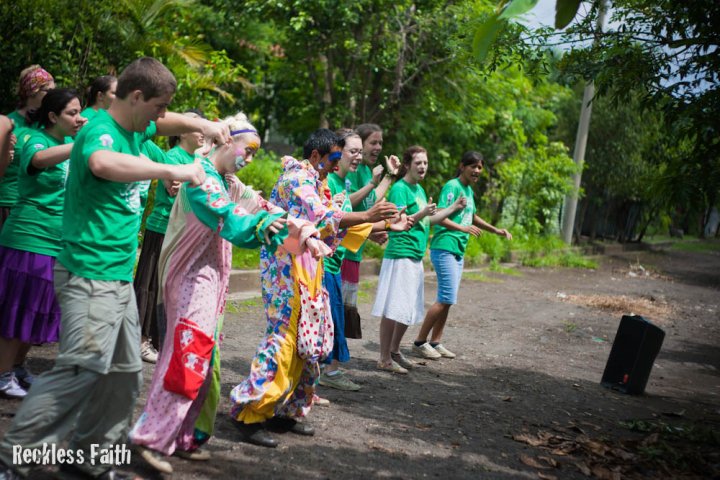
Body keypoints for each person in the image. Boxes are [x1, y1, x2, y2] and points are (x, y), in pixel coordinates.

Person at [0, 56, 228, 480]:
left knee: (123, 374)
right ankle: (13, 458)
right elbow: (102, 164)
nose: (161, 116)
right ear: (136, 97)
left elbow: (164, 123)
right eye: (158, 106)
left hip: (117, 276)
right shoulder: (99, 130)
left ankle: (91, 460)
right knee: (80, 369)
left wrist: (206, 126)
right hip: (90, 273)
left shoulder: (135, 127)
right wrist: (171, 168)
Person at [130, 112, 326, 473]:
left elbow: (264, 207)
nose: (249, 158)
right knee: (187, 358)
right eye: (247, 150)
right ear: (225, 141)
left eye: (254, 153)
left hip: (212, 285)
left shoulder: (227, 181)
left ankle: (185, 436)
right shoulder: (201, 178)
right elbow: (232, 218)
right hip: (190, 283)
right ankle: (150, 437)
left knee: (208, 366)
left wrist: (306, 234)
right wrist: (269, 225)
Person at [229, 129, 397, 448]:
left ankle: (285, 410)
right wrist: (368, 217)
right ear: (316, 156)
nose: (337, 165)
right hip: (286, 270)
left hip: (309, 269)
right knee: (284, 340)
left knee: (308, 344)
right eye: (334, 158)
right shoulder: (296, 180)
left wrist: (376, 226)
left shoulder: (319, 181)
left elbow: (329, 227)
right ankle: (248, 413)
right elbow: (321, 217)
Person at [0, 89, 85, 399]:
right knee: (17, 310)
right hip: (29, 238)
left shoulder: (67, 145)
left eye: (80, 112)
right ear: (52, 116)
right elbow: (37, 160)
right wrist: (79, 145)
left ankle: (16, 368)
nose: (79, 119)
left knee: (36, 310)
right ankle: (2, 375)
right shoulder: (37, 140)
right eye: (72, 113)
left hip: (56, 242)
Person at [319, 129, 412, 392]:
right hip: (323, 262)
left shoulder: (342, 181)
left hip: (336, 260)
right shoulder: (329, 182)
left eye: (360, 151)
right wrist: (379, 221)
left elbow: (351, 221)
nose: (359, 156)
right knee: (330, 318)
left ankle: (324, 372)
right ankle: (325, 373)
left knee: (335, 317)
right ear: (337, 152)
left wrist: (387, 225)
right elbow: (335, 220)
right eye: (354, 151)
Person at [372, 146, 466, 374]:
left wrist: (453, 208)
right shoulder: (400, 189)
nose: (423, 166)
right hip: (401, 253)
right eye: (418, 163)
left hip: (415, 255)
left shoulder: (419, 190)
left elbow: (428, 221)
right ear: (407, 165)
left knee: (408, 308)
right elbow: (399, 221)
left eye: (425, 162)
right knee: (393, 308)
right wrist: (423, 213)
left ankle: (395, 351)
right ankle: (384, 357)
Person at [413, 151, 512, 359]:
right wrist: (462, 228)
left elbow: (472, 216)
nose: (477, 171)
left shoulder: (468, 190)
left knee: (448, 300)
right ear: (462, 167)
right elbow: (440, 216)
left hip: (458, 249)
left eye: (480, 167)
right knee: (445, 297)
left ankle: (436, 342)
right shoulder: (452, 186)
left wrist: (495, 230)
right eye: (473, 166)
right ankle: (420, 342)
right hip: (445, 246)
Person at [135, 110, 206, 363]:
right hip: (162, 228)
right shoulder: (174, 157)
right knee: (149, 285)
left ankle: (157, 339)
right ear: (181, 131)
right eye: (195, 126)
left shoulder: (195, 159)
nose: (201, 132)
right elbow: (176, 192)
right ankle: (141, 340)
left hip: (180, 233)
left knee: (166, 287)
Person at [341, 124, 399, 343]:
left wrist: (389, 176)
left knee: (345, 312)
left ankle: (333, 358)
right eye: (373, 142)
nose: (378, 147)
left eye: (380, 143)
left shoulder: (366, 170)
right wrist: (374, 226)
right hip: (342, 250)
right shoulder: (353, 171)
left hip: (355, 250)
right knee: (338, 310)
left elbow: (370, 201)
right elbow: (344, 209)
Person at [0, 66, 55, 228]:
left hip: (40, 205)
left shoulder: (51, 123)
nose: (53, 96)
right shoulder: (8, 123)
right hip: (8, 203)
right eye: (48, 91)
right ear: (33, 92)